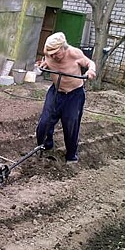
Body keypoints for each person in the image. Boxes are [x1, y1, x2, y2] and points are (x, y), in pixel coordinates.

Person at [35, 32, 97, 164]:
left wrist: (91, 71)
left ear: (64, 47)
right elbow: (46, 61)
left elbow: (90, 63)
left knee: (70, 124)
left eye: (56, 53)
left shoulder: (74, 53)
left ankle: (71, 155)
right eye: (50, 54)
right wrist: (44, 65)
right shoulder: (49, 54)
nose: (53, 56)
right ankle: (46, 145)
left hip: (74, 94)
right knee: (44, 122)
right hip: (56, 92)